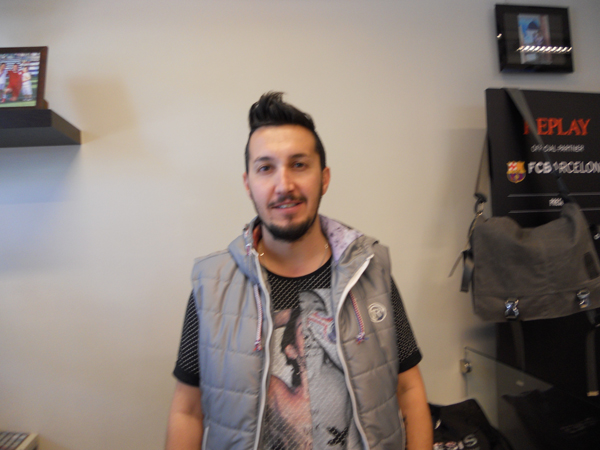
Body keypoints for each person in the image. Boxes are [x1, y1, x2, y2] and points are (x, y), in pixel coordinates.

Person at [166, 92, 432, 450]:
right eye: (266, 168)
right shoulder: (213, 285)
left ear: (324, 178)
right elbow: (187, 411)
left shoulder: (370, 272)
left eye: (299, 165)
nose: (284, 185)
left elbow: (409, 389)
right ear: (248, 184)